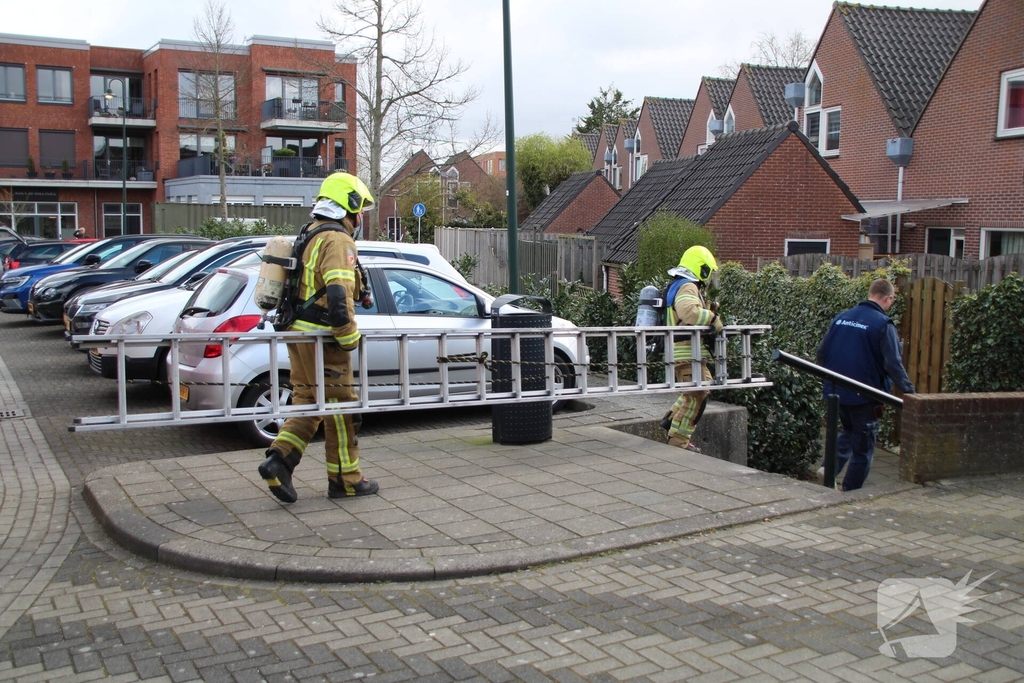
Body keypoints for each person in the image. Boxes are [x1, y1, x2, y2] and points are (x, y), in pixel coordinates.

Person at [258, 172, 379, 503]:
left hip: (298, 334)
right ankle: (346, 480)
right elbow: (339, 297)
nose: (361, 217)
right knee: (342, 410)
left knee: (310, 403)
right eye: (360, 209)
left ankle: (278, 461)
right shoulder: (338, 241)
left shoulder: (310, 232)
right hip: (323, 339)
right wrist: (348, 337)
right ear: (348, 204)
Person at [816, 278, 915, 491]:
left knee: (849, 432)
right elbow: (893, 364)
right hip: (866, 394)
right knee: (864, 447)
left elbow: (821, 354)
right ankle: (850, 492)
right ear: (888, 298)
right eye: (892, 300)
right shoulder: (882, 324)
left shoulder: (841, 318)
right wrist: (910, 393)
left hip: (837, 392)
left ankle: (828, 469)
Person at [661, 246, 723, 452]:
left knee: (696, 393)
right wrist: (714, 319)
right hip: (686, 352)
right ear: (700, 267)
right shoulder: (688, 286)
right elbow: (688, 312)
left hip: (687, 352)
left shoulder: (679, 284)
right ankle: (678, 442)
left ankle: (670, 422)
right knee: (697, 396)